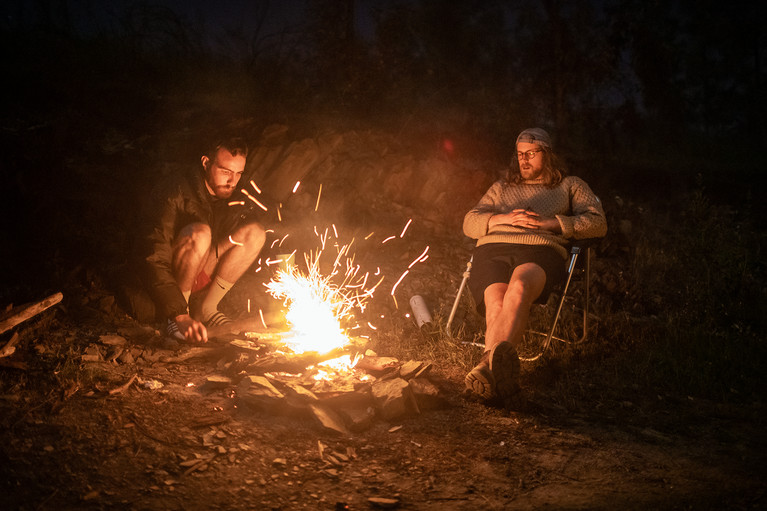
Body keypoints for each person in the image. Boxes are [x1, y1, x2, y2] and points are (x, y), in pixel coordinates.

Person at [462, 128, 607, 403]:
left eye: (531, 154)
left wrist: (551, 223)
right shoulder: (501, 188)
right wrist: (501, 218)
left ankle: (485, 367)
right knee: (495, 302)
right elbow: (470, 222)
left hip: (541, 248)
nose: (524, 160)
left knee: (518, 288)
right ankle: (495, 375)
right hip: (494, 248)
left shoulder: (570, 185)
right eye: (519, 155)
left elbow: (598, 223)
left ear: (547, 155)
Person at [142, 135, 266, 343]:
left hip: (201, 267)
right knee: (200, 233)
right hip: (169, 280)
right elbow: (153, 255)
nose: (232, 181)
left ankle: (207, 308)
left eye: (238, 173)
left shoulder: (233, 194)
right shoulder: (174, 191)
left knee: (255, 233)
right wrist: (178, 313)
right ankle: (180, 316)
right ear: (206, 163)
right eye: (225, 171)